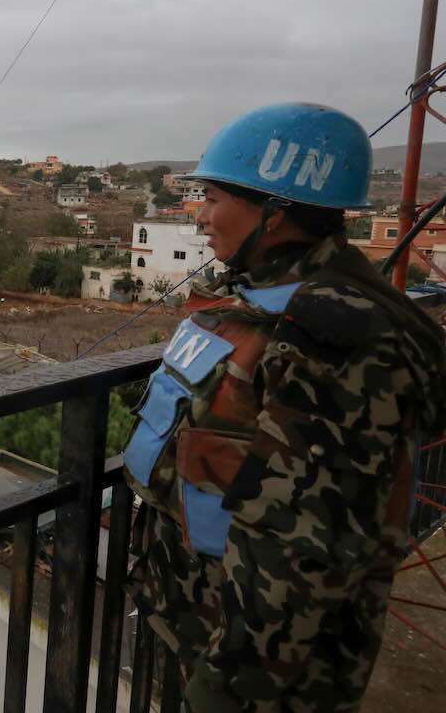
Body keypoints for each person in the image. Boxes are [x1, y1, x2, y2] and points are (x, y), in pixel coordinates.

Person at [122, 103, 446, 711]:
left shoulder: (336, 335)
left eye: (213, 197)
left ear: (272, 213)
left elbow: (300, 546)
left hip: (262, 671)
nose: (201, 216)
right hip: (204, 618)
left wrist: (226, 687)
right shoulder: (266, 294)